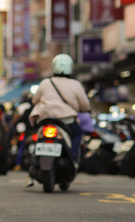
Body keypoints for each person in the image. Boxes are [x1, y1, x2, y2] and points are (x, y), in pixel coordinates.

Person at [26, 54, 91, 186]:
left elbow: (34, 101)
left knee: (37, 138)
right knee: (78, 132)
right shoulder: (76, 84)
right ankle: (73, 160)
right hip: (66, 122)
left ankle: (32, 166)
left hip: (45, 121)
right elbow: (85, 106)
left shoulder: (46, 82)